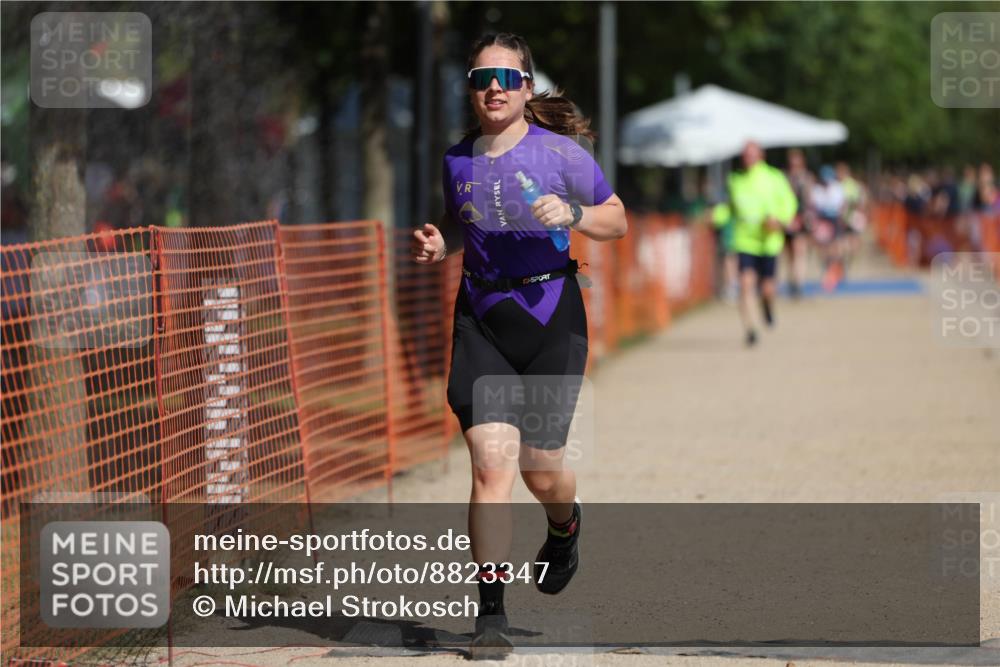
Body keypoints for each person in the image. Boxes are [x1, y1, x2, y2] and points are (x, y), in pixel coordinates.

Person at [411, 32, 627, 658]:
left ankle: (565, 523)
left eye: (505, 78)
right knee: (489, 466)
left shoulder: (561, 154)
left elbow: (617, 218)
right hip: (482, 320)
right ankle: (491, 617)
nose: (493, 89)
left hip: (552, 318)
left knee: (541, 469)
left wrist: (575, 216)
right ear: (471, 90)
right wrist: (441, 244)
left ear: (527, 87)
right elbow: (462, 226)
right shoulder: (457, 160)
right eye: (481, 79)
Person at [725, 141, 797, 347]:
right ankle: (750, 329)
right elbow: (730, 209)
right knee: (745, 284)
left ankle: (767, 306)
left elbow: (789, 203)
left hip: (769, 241)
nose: (748, 158)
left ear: (760, 156)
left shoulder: (774, 177)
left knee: (767, 289)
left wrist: (780, 220)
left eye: (752, 154)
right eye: (745, 155)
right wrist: (716, 216)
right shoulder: (735, 180)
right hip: (745, 242)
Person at [784, 149, 814, 298]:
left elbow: (809, 199)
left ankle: (798, 283)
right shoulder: (785, 177)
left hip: (801, 219)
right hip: (787, 218)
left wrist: (807, 217)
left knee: (799, 251)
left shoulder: (806, 177)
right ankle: (792, 280)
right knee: (790, 253)